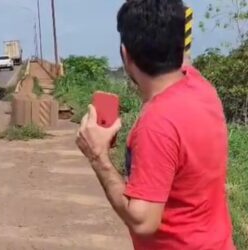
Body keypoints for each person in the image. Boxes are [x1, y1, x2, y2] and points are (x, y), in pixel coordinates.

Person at [76, 0, 236, 249]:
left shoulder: (157, 125)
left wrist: (98, 156)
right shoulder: (200, 87)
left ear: (125, 54)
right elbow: (184, 60)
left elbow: (143, 222)